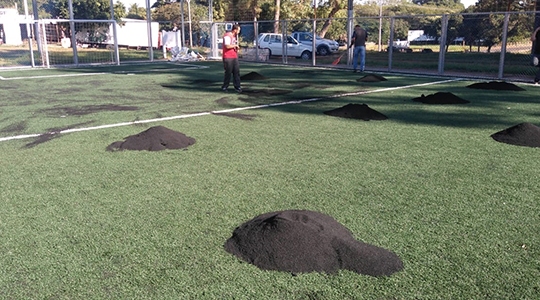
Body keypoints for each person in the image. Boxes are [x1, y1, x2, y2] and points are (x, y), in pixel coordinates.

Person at [221, 24, 242, 93]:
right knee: (228, 72)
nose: (239, 31)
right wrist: (235, 45)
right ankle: (225, 87)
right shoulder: (227, 36)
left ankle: (237, 86)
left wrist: (236, 48)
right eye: (238, 30)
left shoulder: (234, 36)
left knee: (236, 72)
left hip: (234, 57)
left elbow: (232, 46)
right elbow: (227, 46)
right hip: (228, 57)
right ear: (235, 30)